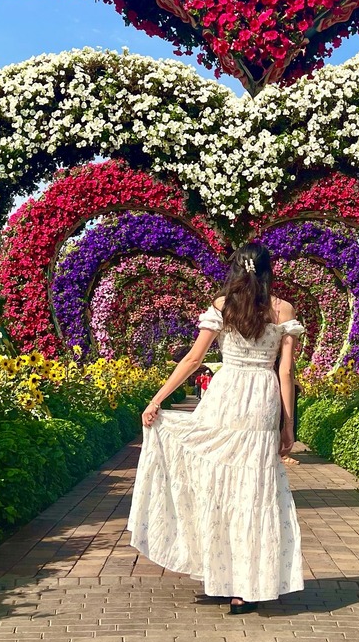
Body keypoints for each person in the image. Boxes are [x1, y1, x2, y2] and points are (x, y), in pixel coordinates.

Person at [127, 243, 305, 614]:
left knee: (215, 485)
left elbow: (193, 359)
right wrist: (288, 425)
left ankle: (219, 575)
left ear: (236, 269)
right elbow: (285, 372)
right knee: (253, 491)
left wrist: (157, 399)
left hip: (226, 395)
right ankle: (244, 585)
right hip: (261, 399)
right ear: (268, 269)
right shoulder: (282, 309)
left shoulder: (222, 306)